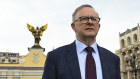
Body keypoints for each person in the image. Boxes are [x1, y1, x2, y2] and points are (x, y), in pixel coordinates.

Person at [42, 4, 121, 79]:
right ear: (73, 26)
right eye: (84, 18)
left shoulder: (113, 60)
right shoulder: (55, 58)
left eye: (94, 19)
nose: (90, 22)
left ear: (98, 26)